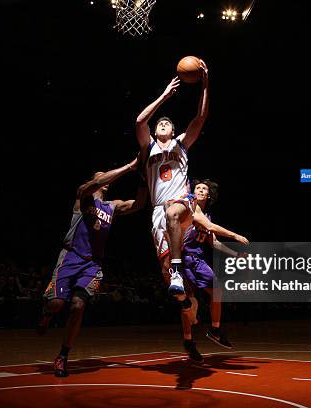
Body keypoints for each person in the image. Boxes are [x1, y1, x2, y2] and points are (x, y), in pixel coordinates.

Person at [37, 157, 147, 377]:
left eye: (106, 177)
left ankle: (63, 356)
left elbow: (139, 205)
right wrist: (129, 166)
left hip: (93, 263)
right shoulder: (83, 196)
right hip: (70, 257)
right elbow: (95, 184)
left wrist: (145, 178)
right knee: (57, 304)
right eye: (100, 176)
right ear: (94, 181)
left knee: (78, 306)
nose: (105, 179)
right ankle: (47, 313)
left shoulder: (111, 206)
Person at [135, 62, 210, 362]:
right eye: (160, 123)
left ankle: (180, 272)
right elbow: (139, 120)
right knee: (180, 294)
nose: (163, 124)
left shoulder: (181, 145)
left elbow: (201, 117)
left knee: (173, 210)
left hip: (182, 205)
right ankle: (189, 331)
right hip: (158, 216)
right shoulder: (148, 148)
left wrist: (205, 84)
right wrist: (165, 95)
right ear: (156, 131)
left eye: (168, 123)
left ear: (175, 131)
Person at [182, 179, 249, 351]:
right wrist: (235, 236)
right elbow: (210, 227)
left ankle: (209, 329)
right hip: (188, 258)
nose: (201, 190)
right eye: (198, 188)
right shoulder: (191, 209)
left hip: (197, 260)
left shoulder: (207, 215)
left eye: (204, 189)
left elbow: (215, 244)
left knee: (207, 295)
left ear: (208, 194)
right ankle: (211, 329)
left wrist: (236, 254)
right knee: (212, 291)